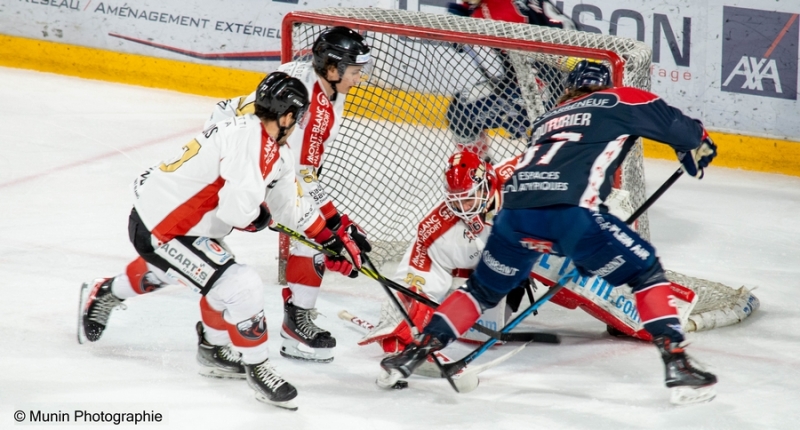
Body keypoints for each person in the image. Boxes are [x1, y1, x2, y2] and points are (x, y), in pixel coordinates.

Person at [379, 60, 720, 405]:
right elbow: (686, 133)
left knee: (481, 290)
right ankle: (677, 363)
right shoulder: (619, 98)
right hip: (572, 215)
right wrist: (696, 143)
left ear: (570, 88)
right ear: (608, 84)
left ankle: (413, 354)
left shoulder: (547, 119)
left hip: (513, 216)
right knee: (646, 271)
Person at [78, 72, 363, 410]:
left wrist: (326, 238)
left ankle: (108, 293)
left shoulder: (270, 144)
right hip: (162, 226)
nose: (299, 124)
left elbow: (290, 203)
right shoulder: (251, 145)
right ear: (287, 116)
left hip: (187, 223)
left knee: (190, 273)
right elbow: (235, 211)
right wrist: (256, 217)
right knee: (238, 284)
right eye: (298, 118)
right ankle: (257, 366)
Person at [204, 26, 373, 364]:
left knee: (309, 233)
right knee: (192, 243)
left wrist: (330, 221)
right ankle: (112, 290)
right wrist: (335, 221)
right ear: (331, 68)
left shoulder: (315, 81)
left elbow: (296, 171)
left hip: (250, 152)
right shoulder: (315, 107)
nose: (359, 79)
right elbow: (301, 173)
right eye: (354, 71)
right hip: (228, 160)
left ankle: (297, 324)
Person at [445, 0, 581, 157]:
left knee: (459, 114)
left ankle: (479, 175)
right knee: (459, 111)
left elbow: (458, 42)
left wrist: (459, 14)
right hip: (568, 81)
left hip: (548, 86)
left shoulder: (494, 9)